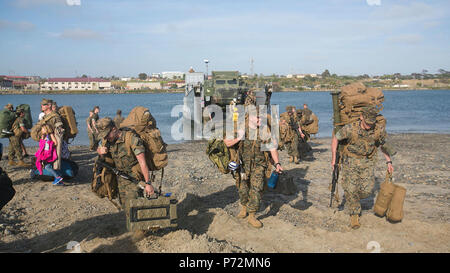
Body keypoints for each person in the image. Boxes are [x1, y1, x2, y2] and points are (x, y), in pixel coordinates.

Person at [331, 106, 395, 229]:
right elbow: (336, 138)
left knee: (367, 191)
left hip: (367, 162)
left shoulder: (377, 130)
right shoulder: (350, 128)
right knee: (350, 188)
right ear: (361, 118)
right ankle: (354, 214)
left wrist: (389, 162)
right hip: (351, 162)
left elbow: (382, 145)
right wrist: (334, 158)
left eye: (371, 123)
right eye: (367, 123)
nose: (368, 126)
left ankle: (353, 198)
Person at [95, 117, 154, 239]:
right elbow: (100, 152)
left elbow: (143, 163)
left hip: (134, 176)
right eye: (103, 136)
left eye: (107, 134)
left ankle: (141, 232)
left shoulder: (131, 139)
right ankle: (135, 227)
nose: (106, 138)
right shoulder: (107, 140)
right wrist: (100, 152)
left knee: (133, 202)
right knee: (124, 203)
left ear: (114, 129)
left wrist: (148, 183)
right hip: (119, 176)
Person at [224, 108, 283, 228]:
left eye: (261, 117)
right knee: (243, 189)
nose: (260, 119)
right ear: (249, 117)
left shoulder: (264, 130)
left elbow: (272, 148)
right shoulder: (240, 128)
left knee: (257, 188)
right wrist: (238, 138)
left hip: (259, 165)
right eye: (257, 117)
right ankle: (244, 207)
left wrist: (277, 163)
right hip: (242, 166)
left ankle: (252, 215)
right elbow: (227, 142)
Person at [39, 98, 65, 170]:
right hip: (46, 139)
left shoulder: (55, 116)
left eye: (44, 105)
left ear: (49, 105)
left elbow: (60, 129)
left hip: (53, 139)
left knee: (56, 156)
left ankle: (56, 170)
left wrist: (54, 139)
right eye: (42, 104)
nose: (42, 106)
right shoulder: (45, 116)